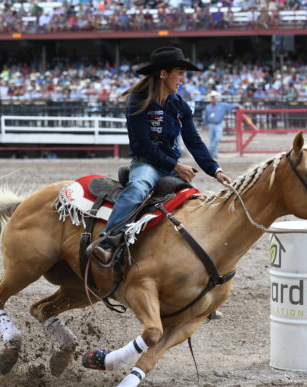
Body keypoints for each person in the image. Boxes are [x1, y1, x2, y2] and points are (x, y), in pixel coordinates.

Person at [87, 47, 234, 265]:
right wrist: (175, 166)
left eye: (184, 74)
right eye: (179, 73)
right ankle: (105, 243)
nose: (182, 79)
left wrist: (216, 170)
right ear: (163, 73)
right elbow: (142, 145)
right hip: (147, 163)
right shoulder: (139, 101)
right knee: (137, 190)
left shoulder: (180, 105)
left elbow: (194, 141)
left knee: (193, 200)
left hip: (171, 166)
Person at [201, 91, 239, 159]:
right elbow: (205, 116)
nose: (214, 98)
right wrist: (206, 124)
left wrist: (237, 106)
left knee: (217, 138)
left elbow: (231, 106)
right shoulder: (208, 107)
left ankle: (209, 150)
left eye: (215, 97)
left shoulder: (222, 105)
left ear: (217, 98)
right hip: (210, 124)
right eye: (212, 97)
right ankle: (214, 154)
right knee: (212, 139)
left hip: (218, 124)